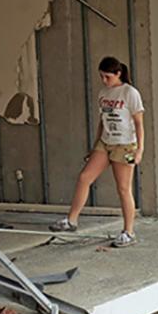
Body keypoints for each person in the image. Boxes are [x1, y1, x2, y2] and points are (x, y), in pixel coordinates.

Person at [49, 56, 144, 248]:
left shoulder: (130, 93)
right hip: (105, 142)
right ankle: (71, 220)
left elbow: (139, 123)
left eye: (107, 77)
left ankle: (129, 231)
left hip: (124, 144)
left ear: (118, 74)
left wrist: (140, 150)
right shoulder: (103, 93)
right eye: (101, 76)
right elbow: (102, 121)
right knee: (85, 177)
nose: (104, 80)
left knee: (123, 189)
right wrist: (95, 145)